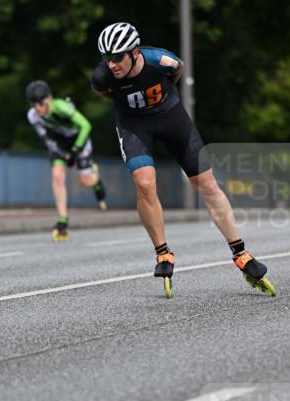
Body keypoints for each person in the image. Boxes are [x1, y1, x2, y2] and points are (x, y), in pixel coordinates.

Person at [91, 22, 275, 296]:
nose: (112, 64)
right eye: (106, 57)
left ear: (135, 52)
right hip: (133, 126)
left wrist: (161, 98)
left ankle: (241, 253)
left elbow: (178, 71)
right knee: (144, 184)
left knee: (208, 185)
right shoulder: (102, 77)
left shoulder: (161, 60)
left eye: (117, 57)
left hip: (171, 117)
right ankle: (163, 253)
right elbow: (106, 93)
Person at [25, 79, 107, 241]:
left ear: (49, 98)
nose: (37, 108)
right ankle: (62, 219)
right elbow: (47, 139)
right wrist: (62, 155)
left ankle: (95, 180)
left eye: (41, 103)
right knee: (57, 175)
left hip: (78, 141)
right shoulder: (33, 116)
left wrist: (75, 151)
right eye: (33, 104)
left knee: (86, 181)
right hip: (60, 145)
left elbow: (86, 125)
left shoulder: (61, 107)